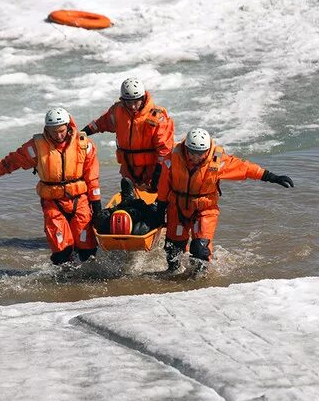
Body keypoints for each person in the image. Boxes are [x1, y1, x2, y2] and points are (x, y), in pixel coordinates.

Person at [0, 107, 102, 265]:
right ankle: (64, 283)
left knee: (88, 251)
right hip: (53, 203)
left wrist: (97, 207)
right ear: (46, 130)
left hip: (80, 202)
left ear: (69, 127)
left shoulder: (84, 145)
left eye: (61, 131)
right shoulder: (35, 147)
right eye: (53, 132)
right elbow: (9, 162)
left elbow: (92, 179)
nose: (58, 136)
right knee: (61, 253)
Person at [155, 128, 294, 271]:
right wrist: (160, 210)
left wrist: (272, 177)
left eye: (200, 154)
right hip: (177, 208)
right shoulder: (172, 158)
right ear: (186, 148)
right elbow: (164, 186)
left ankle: (199, 282)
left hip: (204, 209)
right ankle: (175, 280)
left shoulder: (218, 161)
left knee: (200, 249)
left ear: (207, 150)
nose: (196, 157)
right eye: (192, 153)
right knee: (173, 252)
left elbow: (244, 168)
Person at [82, 77, 174, 192]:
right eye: (128, 102)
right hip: (128, 171)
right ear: (123, 99)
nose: (132, 106)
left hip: (152, 172)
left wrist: (157, 176)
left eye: (136, 102)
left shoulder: (157, 117)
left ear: (143, 98)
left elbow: (164, 151)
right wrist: (82, 134)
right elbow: (100, 124)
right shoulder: (117, 111)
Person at [94, 177, 163, 236]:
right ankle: (129, 200)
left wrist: (114, 209)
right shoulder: (139, 229)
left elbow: (100, 215)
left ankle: (128, 199)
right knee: (153, 211)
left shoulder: (104, 225)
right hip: (137, 213)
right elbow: (156, 217)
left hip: (126, 209)